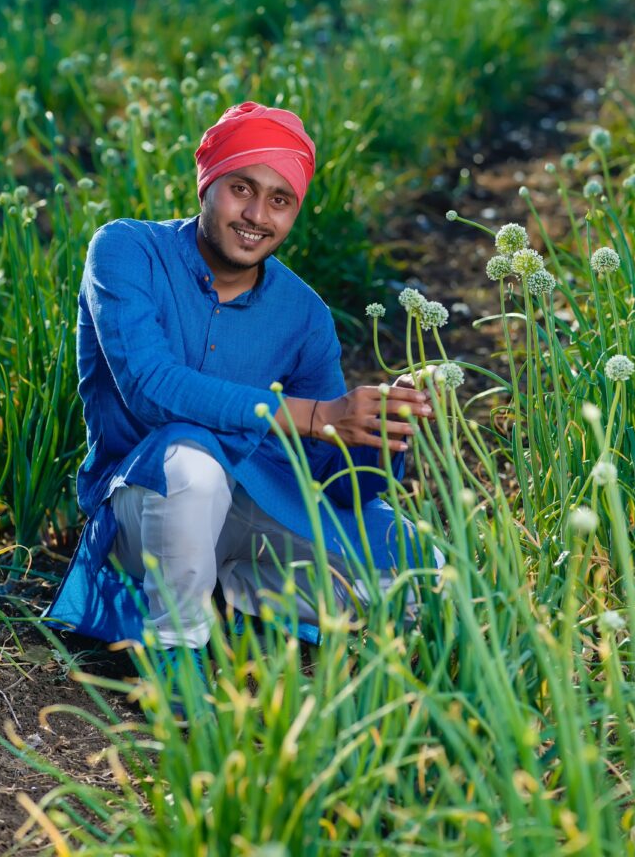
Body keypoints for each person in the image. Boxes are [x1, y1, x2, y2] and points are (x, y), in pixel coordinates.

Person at [46, 100, 440, 680]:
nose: (257, 215)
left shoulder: (304, 314)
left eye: (280, 200)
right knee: (191, 459)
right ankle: (174, 651)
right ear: (207, 184)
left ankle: (235, 601)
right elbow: (150, 386)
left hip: (255, 508)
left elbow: (332, 481)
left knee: (421, 574)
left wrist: (383, 430)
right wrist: (316, 415)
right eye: (241, 189)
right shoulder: (127, 250)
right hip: (142, 510)